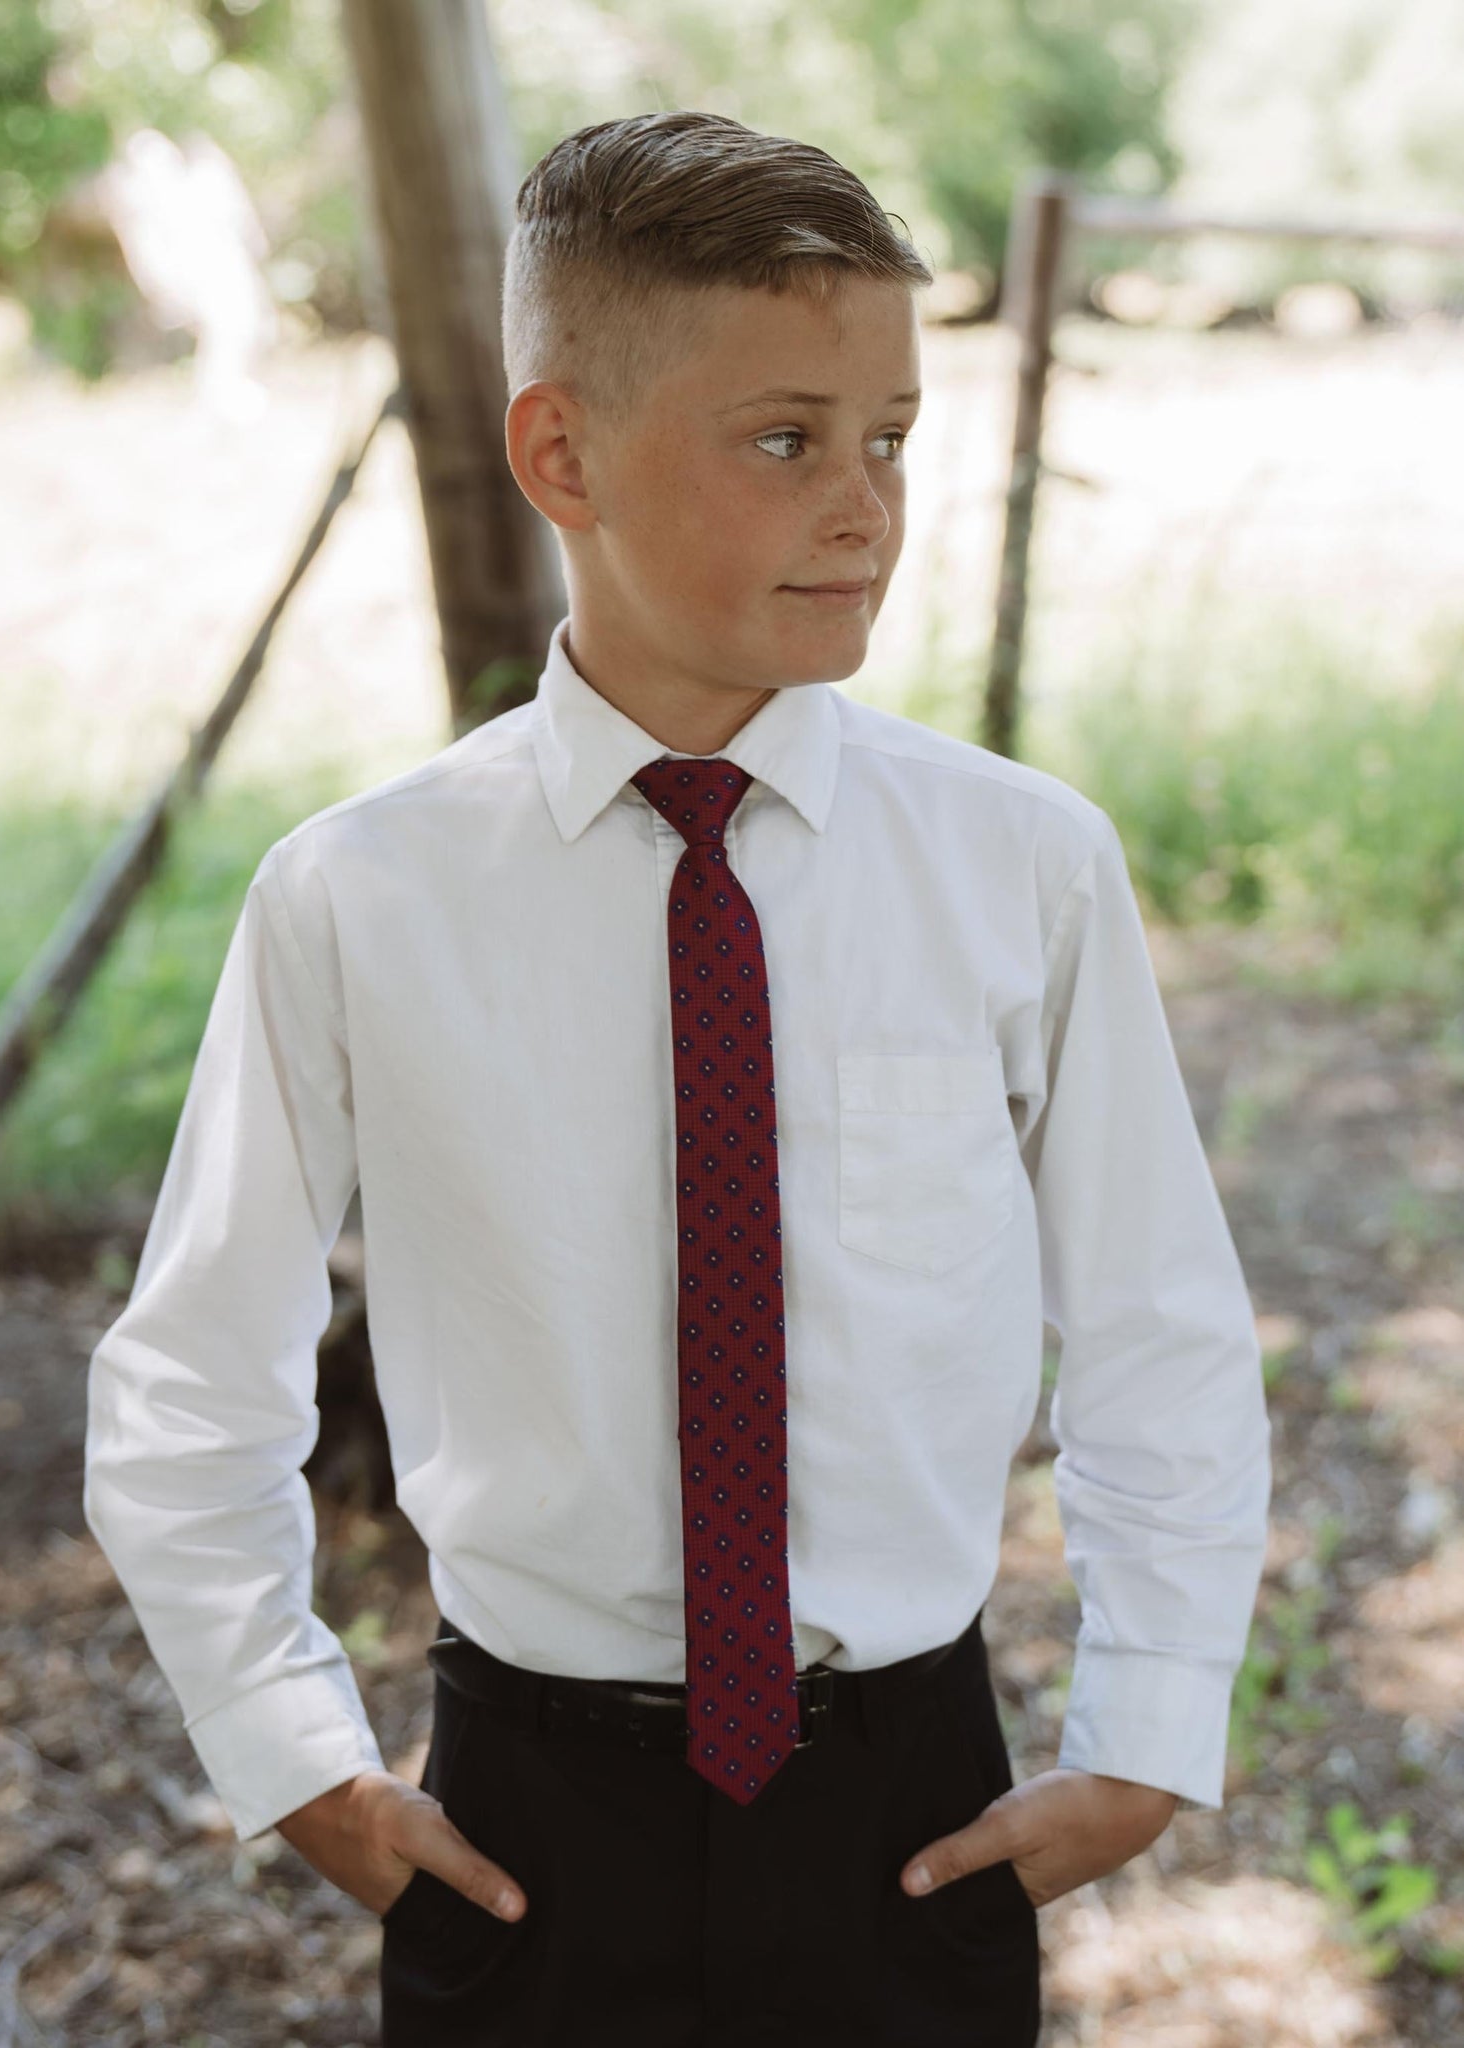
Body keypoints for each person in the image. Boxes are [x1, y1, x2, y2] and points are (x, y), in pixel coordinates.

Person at [84, 109, 1274, 2048]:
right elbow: (190, 1378)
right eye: (785, 439)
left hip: (911, 1809)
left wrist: (1146, 1726)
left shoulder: (1021, 865)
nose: (864, 507)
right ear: (562, 455)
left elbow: (1158, 1324)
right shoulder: (361, 897)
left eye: (891, 437)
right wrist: (290, 1752)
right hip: (528, 1823)